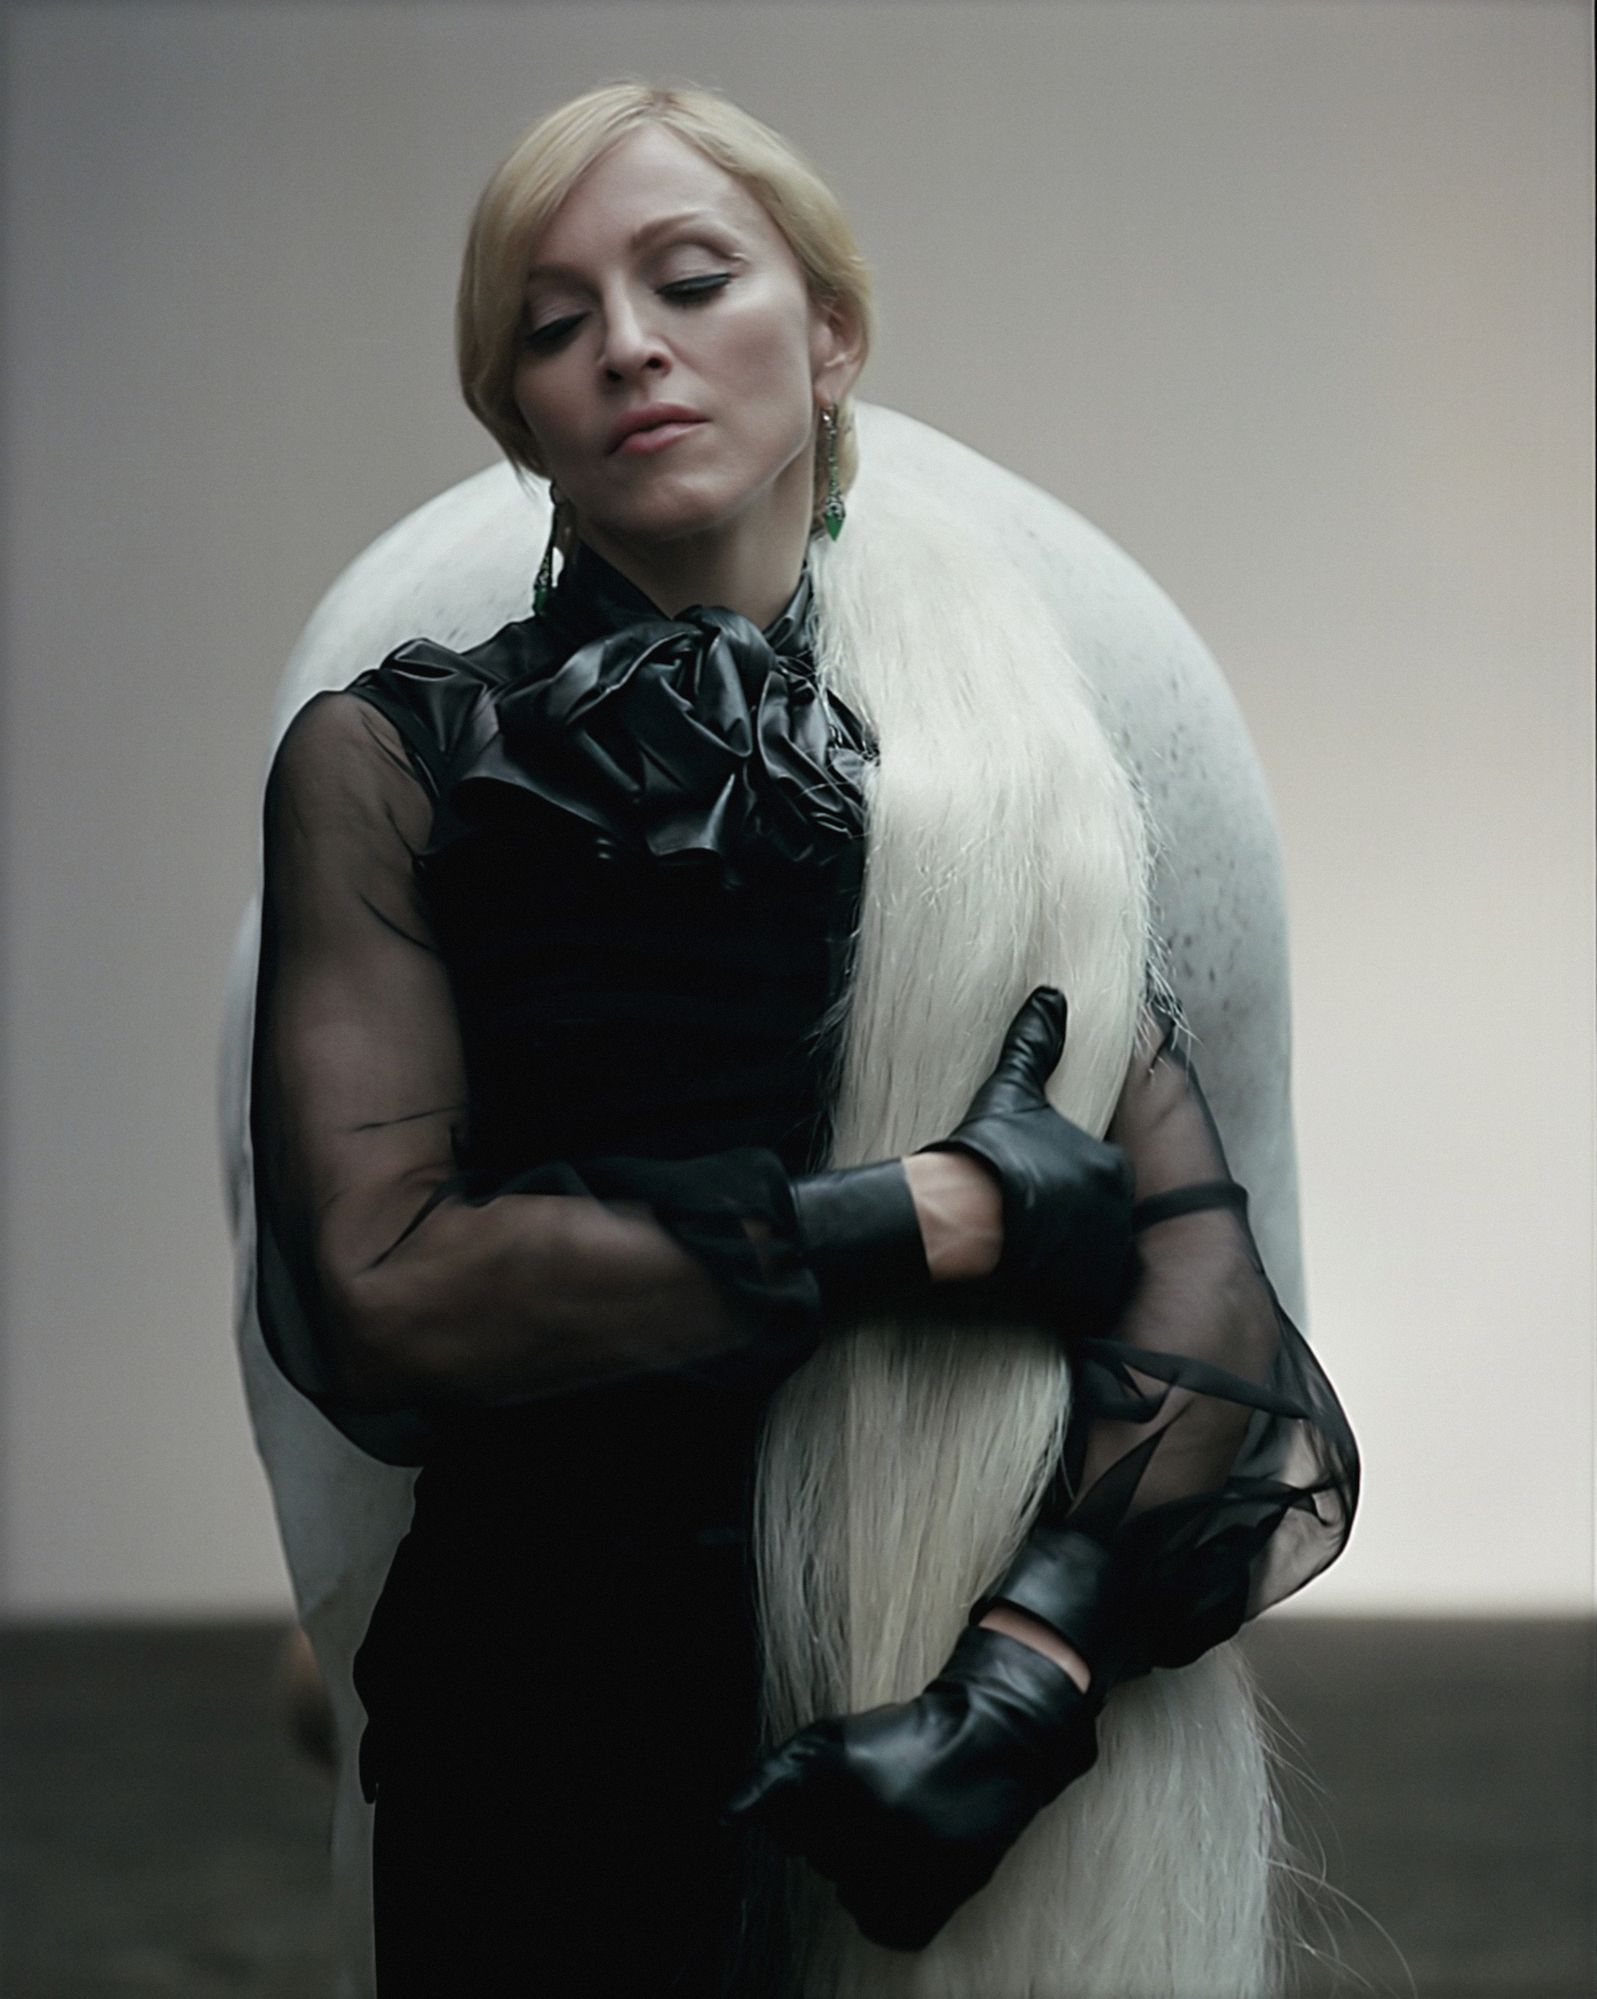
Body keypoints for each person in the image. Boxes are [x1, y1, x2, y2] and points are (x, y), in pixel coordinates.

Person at [248, 82, 1357, 1997]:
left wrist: (1024, 1683)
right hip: (533, 1739)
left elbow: (1205, 1299)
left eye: (690, 282)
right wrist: (914, 1216)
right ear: (517, 412)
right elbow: (380, 1291)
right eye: (555, 323)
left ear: (829, 338)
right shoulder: (387, 760)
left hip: (916, 1724)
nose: (629, 346)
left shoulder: (1009, 784)